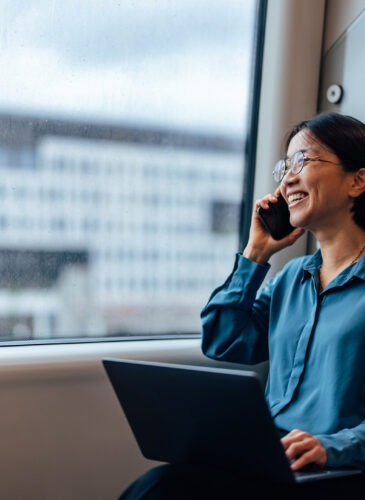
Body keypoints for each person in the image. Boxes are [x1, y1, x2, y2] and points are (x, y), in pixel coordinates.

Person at [119, 111, 365, 499]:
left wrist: (330, 448)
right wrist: (255, 254)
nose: (288, 178)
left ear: (358, 180)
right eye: (285, 166)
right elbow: (221, 339)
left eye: (304, 161)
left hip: (336, 474)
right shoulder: (290, 279)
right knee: (159, 486)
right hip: (269, 463)